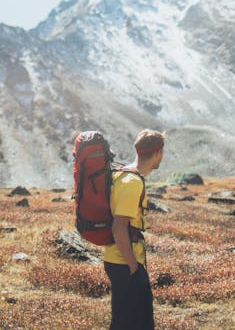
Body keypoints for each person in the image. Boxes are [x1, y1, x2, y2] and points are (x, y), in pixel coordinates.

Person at [103, 129, 165, 330]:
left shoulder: (122, 175)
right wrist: (134, 269)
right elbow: (119, 228)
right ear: (157, 153)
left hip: (117, 260)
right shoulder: (132, 183)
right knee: (139, 324)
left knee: (122, 322)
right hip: (125, 264)